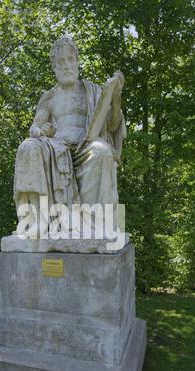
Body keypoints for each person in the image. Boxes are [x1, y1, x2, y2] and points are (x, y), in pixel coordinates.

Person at [14, 37, 126, 237]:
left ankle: (96, 227)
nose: (66, 66)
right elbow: (35, 127)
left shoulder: (92, 91)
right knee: (27, 148)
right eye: (61, 62)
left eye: (70, 60)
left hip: (86, 147)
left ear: (77, 61)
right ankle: (38, 220)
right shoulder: (49, 97)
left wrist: (116, 98)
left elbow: (112, 125)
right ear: (55, 68)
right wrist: (40, 131)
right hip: (56, 149)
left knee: (102, 152)